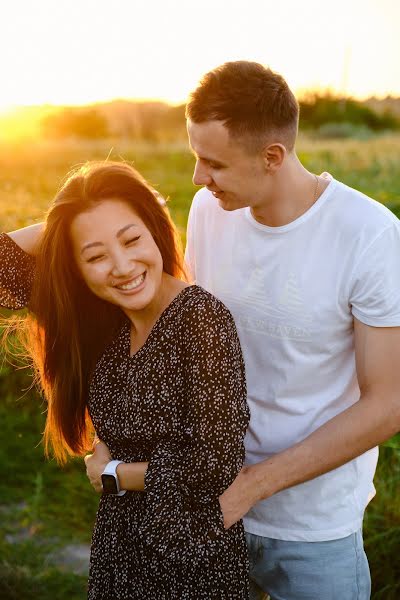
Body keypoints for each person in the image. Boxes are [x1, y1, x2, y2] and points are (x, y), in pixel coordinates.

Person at [184, 60, 400, 600]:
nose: (197, 178)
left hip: (313, 530)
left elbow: (388, 404)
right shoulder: (208, 211)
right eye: (195, 157)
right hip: (208, 507)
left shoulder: (370, 235)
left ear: (272, 156)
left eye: (213, 163)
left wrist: (253, 486)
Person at [0, 161, 250, 599]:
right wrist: (69, 222)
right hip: (119, 549)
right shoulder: (101, 320)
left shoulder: (202, 320)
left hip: (190, 562)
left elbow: (214, 463)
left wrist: (115, 474)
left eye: (132, 239)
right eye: (95, 256)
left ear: (154, 229)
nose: (122, 266)